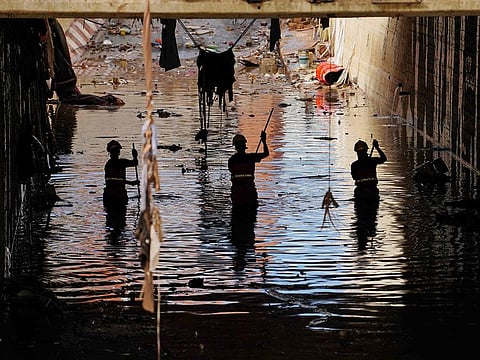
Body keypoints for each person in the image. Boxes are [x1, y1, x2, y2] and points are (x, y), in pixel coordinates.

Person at [228, 131, 269, 209]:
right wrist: (264, 141)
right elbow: (266, 153)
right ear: (244, 145)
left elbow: (231, 171)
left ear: (235, 146)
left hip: (237, 194)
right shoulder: (251, 157)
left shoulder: (231, 160)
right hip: (250, 193)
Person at [103, 140, 139, 209]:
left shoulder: (108, 165)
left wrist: (135, 157)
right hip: (119, 194)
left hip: (108, 196)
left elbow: (111, 181)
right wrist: (135, 156)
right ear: (118, 152)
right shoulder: (122, 162)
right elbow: (135, 163)